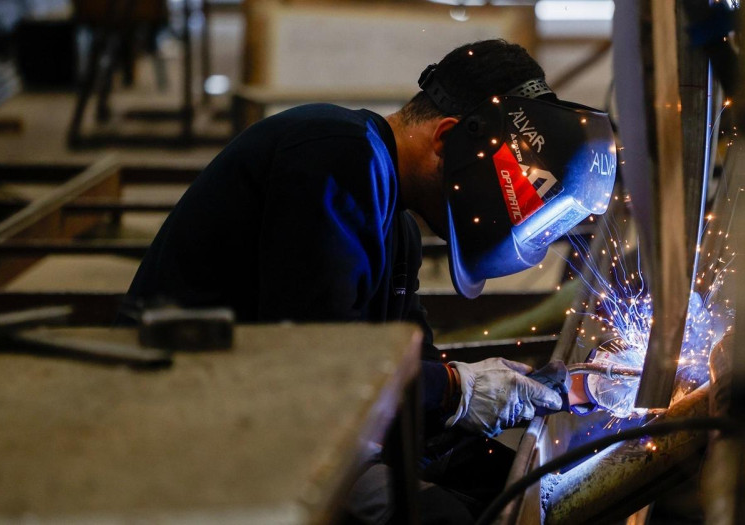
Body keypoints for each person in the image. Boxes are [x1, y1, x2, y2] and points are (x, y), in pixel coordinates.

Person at [117, 39, 616, 521]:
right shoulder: (334, 155)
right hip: (204, 425)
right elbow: (322, 371)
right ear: (446, 140)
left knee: (503, 477)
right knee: (446, 516)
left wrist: (523, 386)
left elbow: (402, 361)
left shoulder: (396, 223)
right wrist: (455, 388)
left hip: (289, 419)